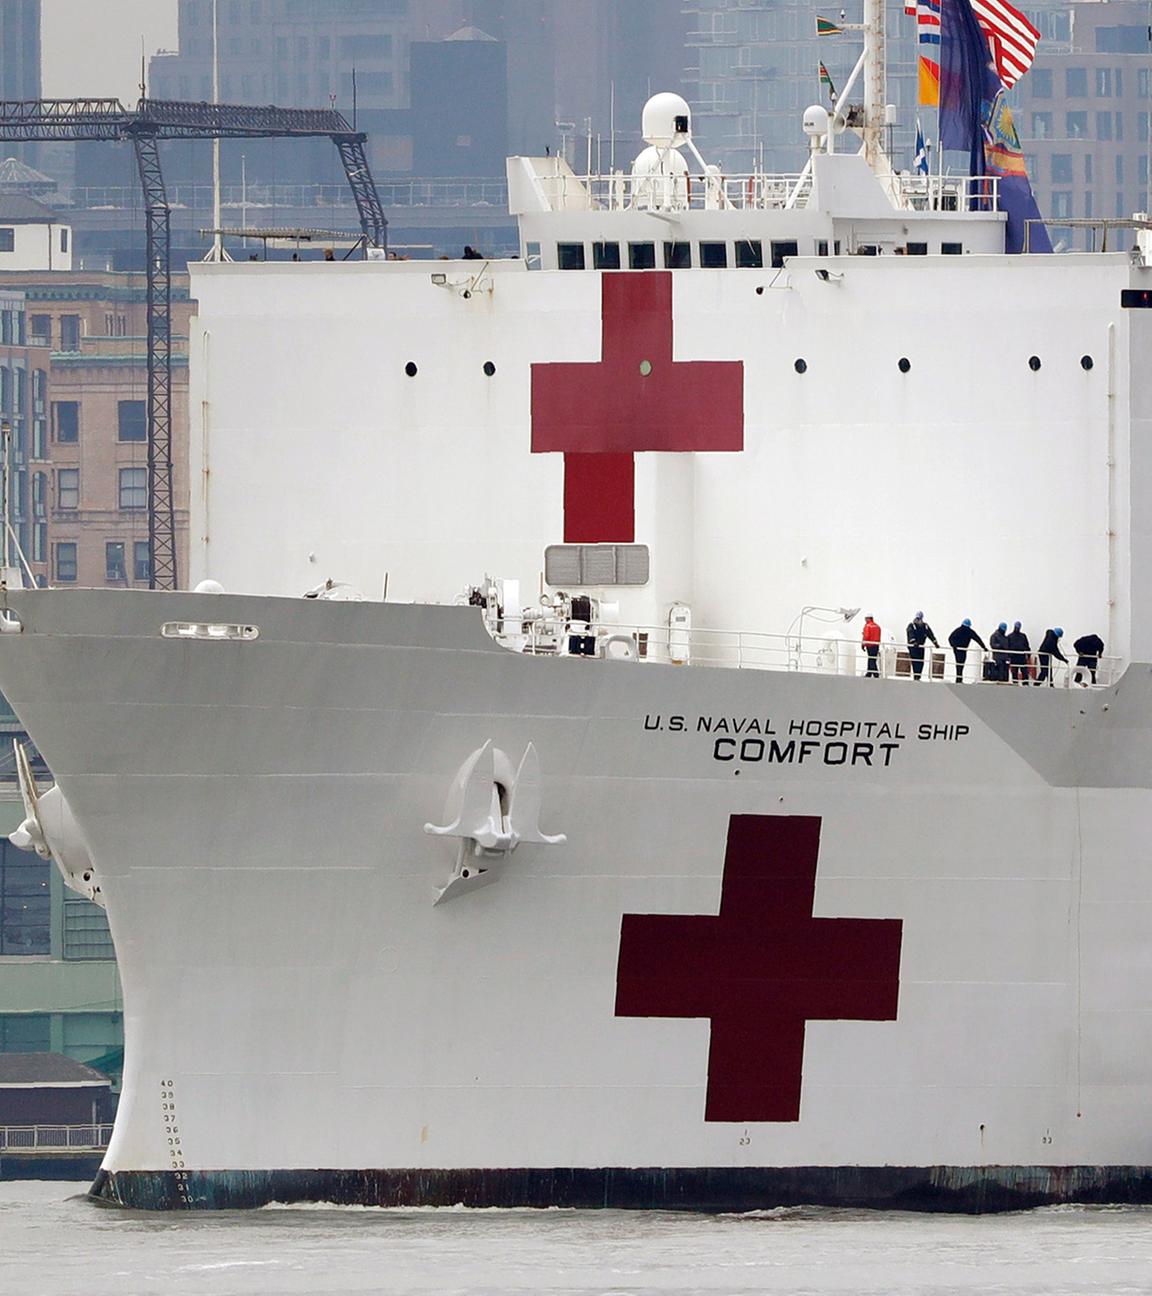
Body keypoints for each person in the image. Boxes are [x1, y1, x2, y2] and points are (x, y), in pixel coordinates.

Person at [947, 618, 987, 684]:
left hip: (958, 650)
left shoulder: (958, 630)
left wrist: (954, 646)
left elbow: (950, 638)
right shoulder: (969, 631)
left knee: (959, 664)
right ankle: (959, 679)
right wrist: (984, 647)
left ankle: (958, 679)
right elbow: (977, 639)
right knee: (961, 664)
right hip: (963, 650)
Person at [906, 611, 939, 681]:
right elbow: (910, 633)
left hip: (921, 646)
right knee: (915, 661)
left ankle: (918, 676)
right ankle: (916, 676)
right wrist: (913, 642)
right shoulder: (912, 625)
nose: (919, 620)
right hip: (913, 647)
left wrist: (935, 643)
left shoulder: (925, 626)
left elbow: (930, 634)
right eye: (918, 618)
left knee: (921, 662)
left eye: (920, 619)